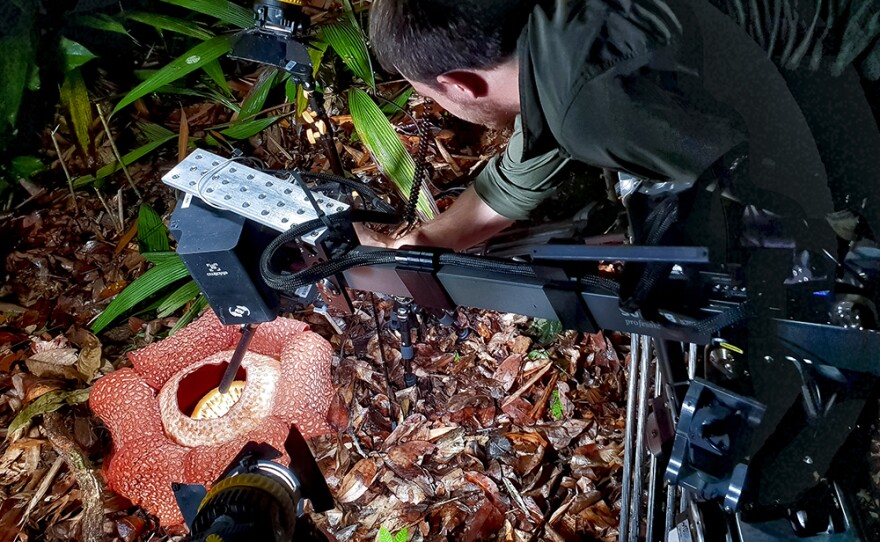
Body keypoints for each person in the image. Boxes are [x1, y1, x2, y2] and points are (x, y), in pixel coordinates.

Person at [360, 0, 880, 253]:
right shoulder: (545, 35)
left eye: (425, 93)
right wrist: (431, 237)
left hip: (855, 53)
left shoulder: (589, 107)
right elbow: (535, 149)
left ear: (459, 85)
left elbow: (770, 171)